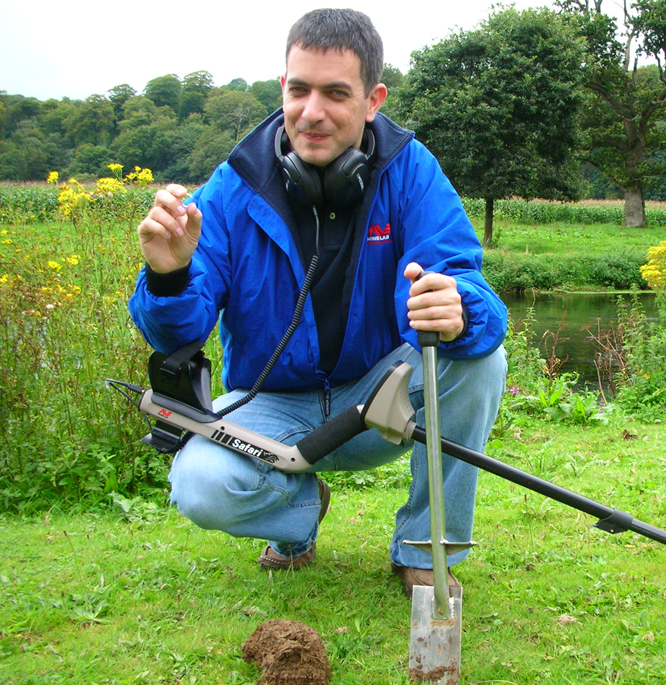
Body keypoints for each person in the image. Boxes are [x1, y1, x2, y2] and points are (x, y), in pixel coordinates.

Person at [128, 8, 507, 596]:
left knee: (481, 358)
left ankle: (424, 549)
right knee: (199, 483)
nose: (312, 112)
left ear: (372, 100)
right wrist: (170, 275)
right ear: (283, 87)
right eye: (299, 89)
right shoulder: (232, 187)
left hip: (378, 404)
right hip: (270, 409)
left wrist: (460, 307)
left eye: (336, 93)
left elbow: (465, 281)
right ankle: (299, 510)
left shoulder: (412, 171)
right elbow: (176, 334)